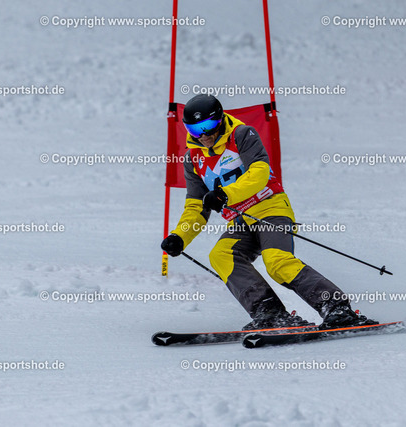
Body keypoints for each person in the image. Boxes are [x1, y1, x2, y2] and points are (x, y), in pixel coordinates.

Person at [161, 94, 376, 330]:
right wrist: (180, 236)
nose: (203, 135)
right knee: (221, 255)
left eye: (208, 126)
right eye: (194, 129)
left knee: (277, 262)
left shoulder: (242, 135)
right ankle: (271, 314)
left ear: (220, 119)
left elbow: (259, 173)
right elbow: (196, 206)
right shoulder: (192, 159)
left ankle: (336, 307)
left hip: (269, 207)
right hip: (240, 221)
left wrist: (225, 194)